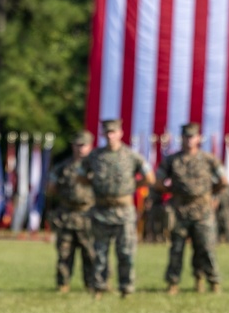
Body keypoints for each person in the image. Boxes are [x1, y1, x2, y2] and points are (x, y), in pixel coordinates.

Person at [83, 119, 154, 299]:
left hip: (124, 211)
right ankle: (99, 287)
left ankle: (126, 288)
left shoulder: (131, 156)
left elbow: (150, 178)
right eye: (107, 132)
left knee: (126, 252)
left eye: (113, 132)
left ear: (120, 133)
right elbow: (79, 176)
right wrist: (96, 186)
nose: (110, 135)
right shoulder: (94, 156)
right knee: (99, 253)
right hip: (101, 210)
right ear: (102, 134)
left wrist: (132, 186)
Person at [155, 122, 227, 295]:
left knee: (205, 247)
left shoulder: (209, 159)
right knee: (177, 249)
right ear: (182, 138)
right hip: (180, 210)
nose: (189, 140)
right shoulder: (172, 160)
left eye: (192, 136)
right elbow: (158, 183)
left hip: (203, 210)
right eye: (186, 136)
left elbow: (223, 181)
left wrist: (208, 194)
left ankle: (210, 281)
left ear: (198, 138)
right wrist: (173, 192)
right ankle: (173, 283)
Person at [45, 130, 98, 295]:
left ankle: (91, 284)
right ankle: (63, 284)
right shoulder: (62, 167)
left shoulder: (96, 167)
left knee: (90, 253)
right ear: (73, 146)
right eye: (78, 145)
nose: (81, 149)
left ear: (90, 146)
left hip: (88, 215)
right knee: (64, 252)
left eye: (84, 145)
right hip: (67, 215)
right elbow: (50, 188)